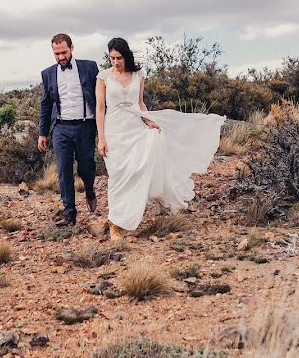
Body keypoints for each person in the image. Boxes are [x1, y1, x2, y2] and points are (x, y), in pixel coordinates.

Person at [95, 37, 225, 240]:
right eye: (112, 58)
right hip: (114, 131)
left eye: (119, 58)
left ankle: (130, 214)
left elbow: (140, 103)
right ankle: (116, 223)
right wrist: (101, 138)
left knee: (140, 164)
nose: (115, 62)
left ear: (126, 56)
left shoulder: (139, 74)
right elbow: (100, 108)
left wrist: (149, 122)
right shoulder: (103, 77)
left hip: (135, 126)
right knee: (118, 175)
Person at [38, 33, 99, 226]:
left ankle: (89, 189)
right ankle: (69, 214)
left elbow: (101, 96)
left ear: (72, 48)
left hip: (85, 125)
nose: (61, 57)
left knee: (86, 167)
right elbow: (46, 104)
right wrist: (42, 132)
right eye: (56, 54)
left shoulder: (90, 67)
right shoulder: (48, 74)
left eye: (64, 52)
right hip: (61, 128)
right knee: (64, 169)